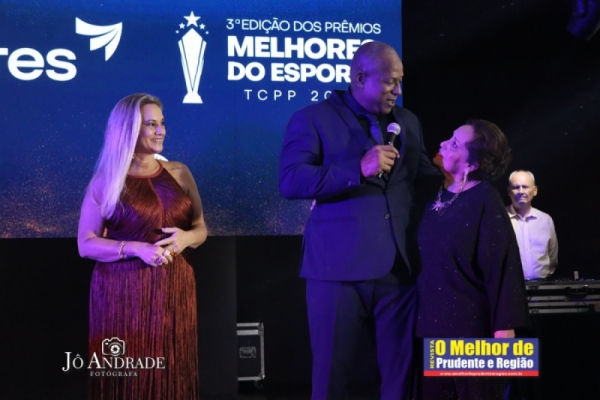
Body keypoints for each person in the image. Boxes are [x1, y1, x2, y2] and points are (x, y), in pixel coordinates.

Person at [279, 41, 439, 399]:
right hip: (336, 272)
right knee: (331, 378)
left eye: (400, 81)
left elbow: (422, 177)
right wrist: (357, 169)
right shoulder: (312, 118)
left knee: (401, 378)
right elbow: (290, 181)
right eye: (389, 82)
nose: (397, 90)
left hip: (398, 271)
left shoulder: (407, 121)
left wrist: (462, 175)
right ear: (360, 78)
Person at [77, 93, 207, 399]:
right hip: (123, 292)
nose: (161, 131)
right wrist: (136, 248)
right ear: (128, 130)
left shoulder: (180, 173)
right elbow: (86, 244)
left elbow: (201, 228)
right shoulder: (106, 180)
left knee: (174, 375)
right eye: (151, 124)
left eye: (162, 123)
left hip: (175, 288)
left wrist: (186, 239)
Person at [415, 120, 530, 400]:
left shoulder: (484, 198)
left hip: (471, 330)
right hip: (431, 326)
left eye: (455, 144)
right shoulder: (434, 194)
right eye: (450, 137)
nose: (443, 144)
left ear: (472, 164)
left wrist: (505, 330)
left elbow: (503, 266)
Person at [507, 170, 558, 280]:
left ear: (535, 190)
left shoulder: (545, 220)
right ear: (509, 191)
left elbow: (552, 256)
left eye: (525, 187)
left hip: (541, 286)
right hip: (510, 285)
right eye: (516, 187)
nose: (521, 191)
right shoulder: (501, 219)